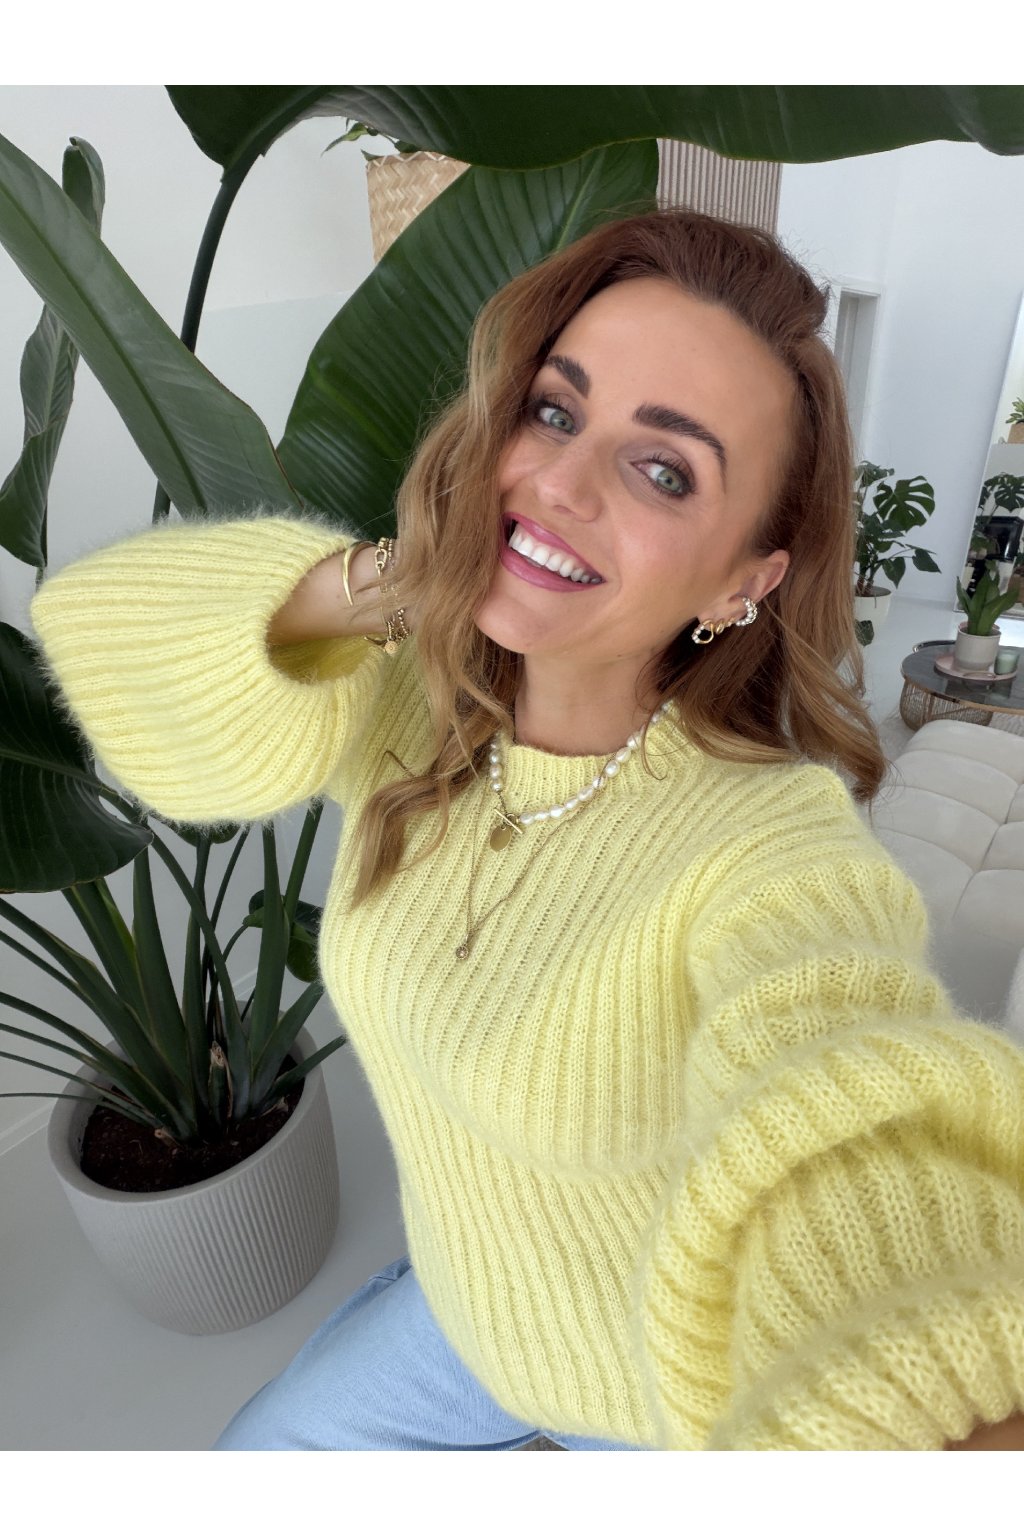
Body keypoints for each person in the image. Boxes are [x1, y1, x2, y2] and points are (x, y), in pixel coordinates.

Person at [30, 210, 1024, 1452]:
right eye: (554, 412)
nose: (558, 482)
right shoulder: (418, 707)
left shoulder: (770, 848)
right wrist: (400, 579)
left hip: (651, 1395)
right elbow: (100, 630)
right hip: (465, 1319)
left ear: (743, 582)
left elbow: (848, 1119)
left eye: (665, 472)